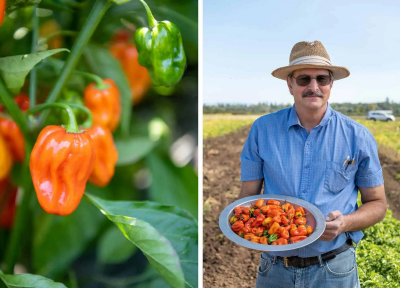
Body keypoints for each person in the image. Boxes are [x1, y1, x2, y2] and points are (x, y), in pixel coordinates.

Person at [240, 40, 387, 288]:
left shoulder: (357, 136)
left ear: (331, 84)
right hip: (276, 267)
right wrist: (249, 227)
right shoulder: (262, 130)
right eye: (304, 79)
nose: (313, 87)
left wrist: (345, 224)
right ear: (290, 84)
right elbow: (247, 199)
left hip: (334, 267)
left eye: (322, 79)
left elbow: (378, 203)